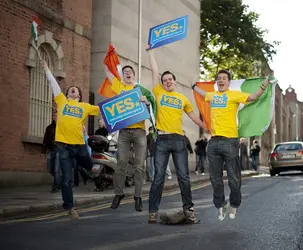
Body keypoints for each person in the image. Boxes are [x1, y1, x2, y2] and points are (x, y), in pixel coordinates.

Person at [193, 69, 270, 220]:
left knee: (234, 179)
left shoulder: (234, 95)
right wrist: (192, 85)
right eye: (219, 78)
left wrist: (264, 84)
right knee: (215, 179)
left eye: (224, 78)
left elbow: (253, 97)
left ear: (229, 82)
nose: (221, 80)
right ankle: (220, 204)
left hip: (230, 142)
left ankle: (234, 203)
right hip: (214, 142)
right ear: (217, 82)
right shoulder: (212, 96)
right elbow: (202, 94)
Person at [146, 46, 208, 224]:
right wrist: (151, 53)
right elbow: (155, 70)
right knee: (159, 176)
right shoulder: (158, 92)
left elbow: (194, 117)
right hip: (162, 140)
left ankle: (188, 210)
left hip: (178, 140)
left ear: (174, 81)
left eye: (170, 79)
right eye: (164, 80)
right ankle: (152, 211)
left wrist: (208, 128)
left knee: (183, 176)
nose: (167, 81)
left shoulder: (182, 99)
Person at [41, 60, 101, 219]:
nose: (72, 91)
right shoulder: (62, 101)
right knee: (66, 179)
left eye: (75, 91)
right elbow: (54, 84)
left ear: (79, 96)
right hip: (64, 147)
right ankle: (69, 208)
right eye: (70, 90)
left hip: (80, 146)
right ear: (67, 95)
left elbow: (105, 109)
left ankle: (97, 177)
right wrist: (47, 68)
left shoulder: (85, 106)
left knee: (89, 165)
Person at [104, 63, 155, 212]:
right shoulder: (119, 87)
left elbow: (152, 105)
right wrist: (108, 60)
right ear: (123, 75)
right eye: (125, 71)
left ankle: (137, 196)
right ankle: (118, 194)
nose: (127, 73)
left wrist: (146, 102)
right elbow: (108, 73)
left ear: (134, 75)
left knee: (139, 165)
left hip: (139, 131)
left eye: (130, 72)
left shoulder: (141, 90)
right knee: (121, 162)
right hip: (124, 132)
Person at [42, 111, 61, 193]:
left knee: (57, 169)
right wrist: (43, 150)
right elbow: (45, 139)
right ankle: (60, 180)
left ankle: (55, 187)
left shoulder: (62, 127)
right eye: (54, 116)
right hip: (50, 149)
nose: (55, 117)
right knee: (50, 169)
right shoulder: (49, 127)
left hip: (59, 149)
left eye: (57, 116)